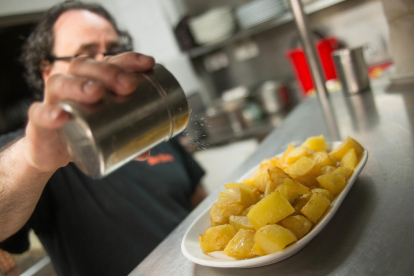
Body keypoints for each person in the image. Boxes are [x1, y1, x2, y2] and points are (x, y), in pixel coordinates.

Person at [0, 2, 206, 275]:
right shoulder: (34, 153)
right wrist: (32, 160)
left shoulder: (152, 126)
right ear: (48, 71)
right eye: (84, 56)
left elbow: (197, 199)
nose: (102, 64)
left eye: (112, 50)